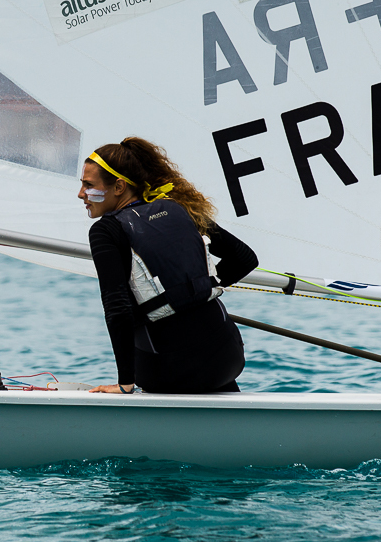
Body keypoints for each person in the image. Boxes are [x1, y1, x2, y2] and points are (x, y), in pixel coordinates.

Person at [78, 138, 258, 395]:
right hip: (228, 358)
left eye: (88, 185)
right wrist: (202, 289)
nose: (81, 194)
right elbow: (245, 258)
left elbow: (117, 309)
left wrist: (126, 383)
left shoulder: (106, 230)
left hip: (169, 371)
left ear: (119, 186)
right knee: (206, 363)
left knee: (169, 356)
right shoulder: (178, 208)